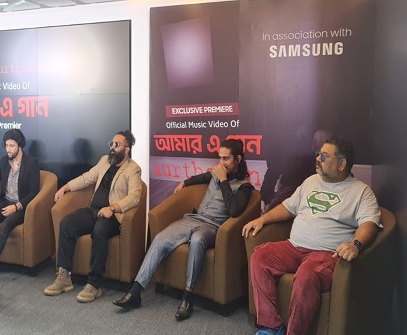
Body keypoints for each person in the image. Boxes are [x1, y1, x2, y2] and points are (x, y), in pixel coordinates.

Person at [243, 136, 381, 335]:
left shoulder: (361, 191)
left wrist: (355, 244)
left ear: (341, 164)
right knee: (260, 257)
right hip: (294, 247)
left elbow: (369, 223)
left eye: (324, 156)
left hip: (325, 254)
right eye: (318, 154)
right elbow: (288, 207)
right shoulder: (310, 181)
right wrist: (262, 219)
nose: (317, 159)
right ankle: (272, 327)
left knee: (307, 274)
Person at [114, 138, 253, 320]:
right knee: (161, 238)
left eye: (226, 158)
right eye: (220, 158)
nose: (221, 163)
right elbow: (200, 178)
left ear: (238, 159)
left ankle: (188, 298)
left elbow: (234, 210)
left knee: (197, 241)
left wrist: (224, 180)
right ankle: (135, 292)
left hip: (213, 226)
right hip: (194, 219)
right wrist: (185, 183)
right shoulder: (215, 173)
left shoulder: (244, 186)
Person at [44, 130, 142, 303]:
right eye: (111, 143)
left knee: (99, 230)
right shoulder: (104, 161)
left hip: (113, 216)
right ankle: (64, 276)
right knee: (67, 223)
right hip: (93, 211)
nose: (112, 147)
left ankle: (94, 284)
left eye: (117, 145)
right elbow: (86, 178)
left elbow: (135, 196)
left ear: (127, 149)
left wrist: (112, 208)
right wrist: (65, 187)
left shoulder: (133, 169)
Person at [0, 129, 40, 259]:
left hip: (20, 208)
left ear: (20, 146)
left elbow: (34, 192)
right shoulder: (5, 161)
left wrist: (16, 207)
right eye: (6, 145)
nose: (8, 149)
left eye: (12, 146)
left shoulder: (31, 163)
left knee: (5, 225)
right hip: (5, 203)